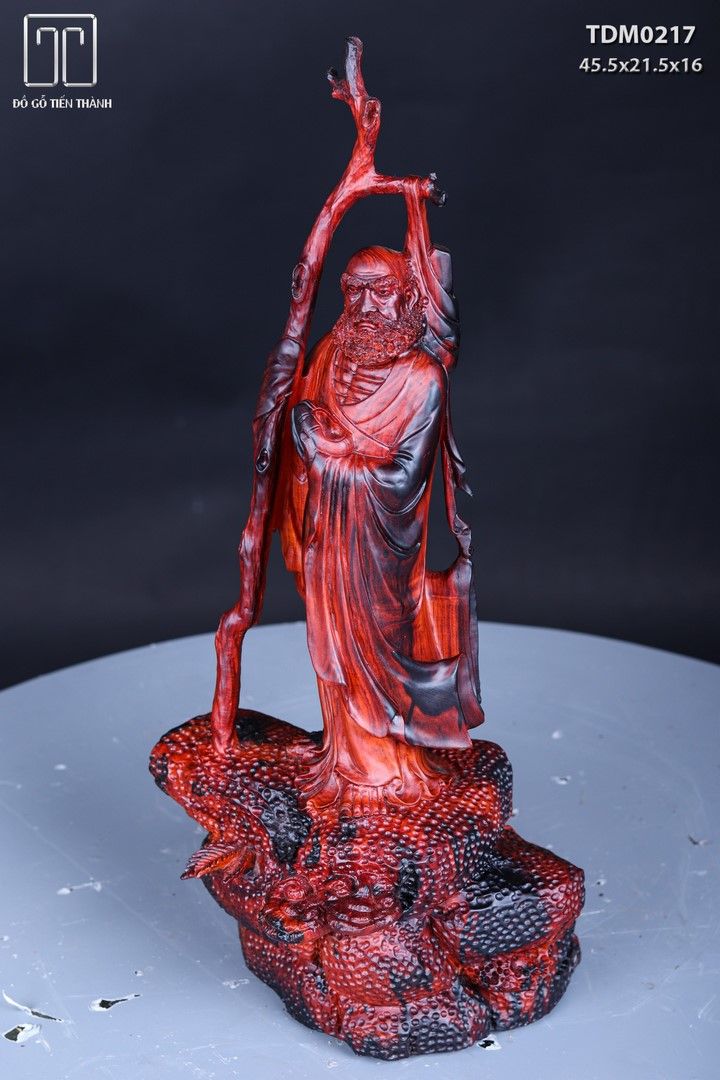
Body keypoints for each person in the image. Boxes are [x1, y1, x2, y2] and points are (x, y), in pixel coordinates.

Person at [276, 246, 484, 811]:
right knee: (329, 642)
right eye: (354, 290)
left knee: (376, 646)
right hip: (327, 538)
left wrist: (327, 457)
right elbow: (302, 411)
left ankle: (388, 768)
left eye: (382, 291)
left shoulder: (422, 379)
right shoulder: (328, 353)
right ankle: (340, 759)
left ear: (409, 297)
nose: (367, 304)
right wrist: (303, 424)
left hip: (381, 547)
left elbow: (403, 478)